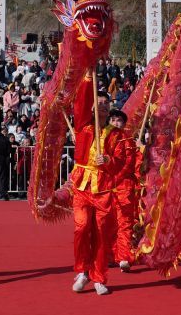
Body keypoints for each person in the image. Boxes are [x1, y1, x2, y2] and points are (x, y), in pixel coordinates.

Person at [69, 80, 132, 296]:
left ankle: (99, 276)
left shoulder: (117, 134)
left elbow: (121, 163)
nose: (104, 106)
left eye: (107, 103)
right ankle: (82, 271)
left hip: (104, 189)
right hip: (82, 186)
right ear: (93, 106)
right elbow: (80, 104)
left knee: (101, 234)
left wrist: (107, 160)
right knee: (82, 227)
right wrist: (87, 76)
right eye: (99, 102)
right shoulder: (83, 125)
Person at [108, 109, 137, 272]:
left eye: (119, 120)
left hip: (124, 186)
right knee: (107, 224)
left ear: (124, 124)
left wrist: (115, 178)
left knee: (124, 222)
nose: (115, 123)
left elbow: (129, 164)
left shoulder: (128, 140)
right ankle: (110, 256)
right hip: (105, 187)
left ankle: (123, 256)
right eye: (112, 120)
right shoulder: (101, 139)